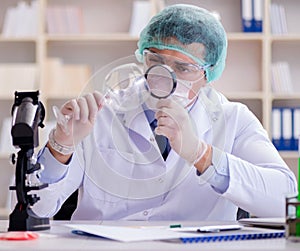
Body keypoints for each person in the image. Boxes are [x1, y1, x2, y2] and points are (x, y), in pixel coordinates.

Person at [33, 4, 297, 221]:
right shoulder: (101, 114)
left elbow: (285, 201)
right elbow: (35, 209)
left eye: (183, 68)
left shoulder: (233, 119)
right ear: (142, 56)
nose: (163, 77)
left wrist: (201, 155)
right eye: (156, 61)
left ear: (208, 74)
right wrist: (61, 146)